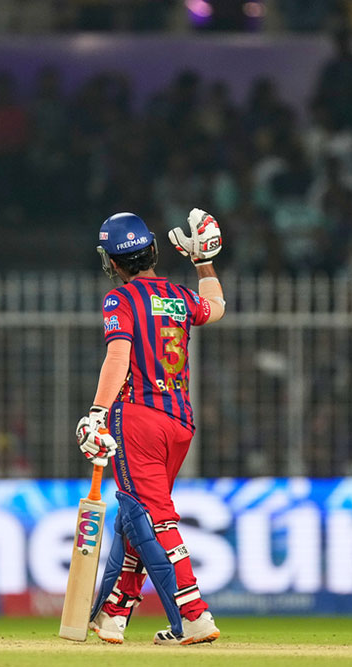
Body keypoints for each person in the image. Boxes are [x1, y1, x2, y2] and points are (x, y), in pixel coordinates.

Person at [75, 209, 226, 646]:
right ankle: (114, 613)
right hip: (180, 422)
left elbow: (118, 356)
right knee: (133, 515)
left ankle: (193, 615)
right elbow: (216, 308)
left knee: (153, 516)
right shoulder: (180, 296)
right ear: (154, 250)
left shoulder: (119, 300)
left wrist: (98, 412)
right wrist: (204, 264)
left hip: (138, 418)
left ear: (112, 262)